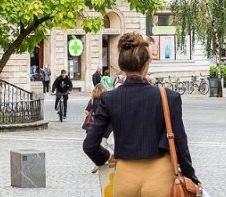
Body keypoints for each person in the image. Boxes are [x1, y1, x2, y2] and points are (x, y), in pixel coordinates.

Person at [83, 31, 199, 196]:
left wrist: (106, 156)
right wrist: (191, 178)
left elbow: (89, 145)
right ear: (146, 63)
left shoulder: (109, 98)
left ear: (122, 65)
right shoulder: (168, 97)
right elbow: (180, 143)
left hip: (125, 179)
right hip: (160, 177)